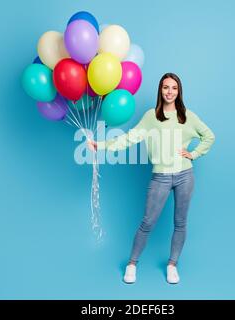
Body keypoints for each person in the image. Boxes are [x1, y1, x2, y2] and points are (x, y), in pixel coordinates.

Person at [88, 73, 215, 284]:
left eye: (174, 88)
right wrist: (100, 145)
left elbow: (209, 136)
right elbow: (129, 139)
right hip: (161, 177)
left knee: (180, 223)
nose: (169, 91)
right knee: (147, 222)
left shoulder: (187, 116)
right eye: (166, 87)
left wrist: (194, 153)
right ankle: (132, 264)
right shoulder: (151, 117)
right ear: (160, 90)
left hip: (185, 175)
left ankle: (172, 265)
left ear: (179, 91)